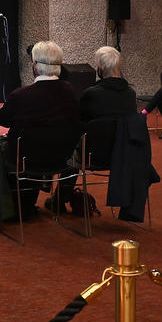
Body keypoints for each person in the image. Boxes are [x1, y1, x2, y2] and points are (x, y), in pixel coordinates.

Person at [0, 41, 80, 229]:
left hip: (24, 158)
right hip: (60, 158)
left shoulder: (22, 95)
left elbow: (3, 118)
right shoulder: (71, 92)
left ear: (35, 66)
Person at [47, 46, 138, 211]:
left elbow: (78, 123)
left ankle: (58, 200)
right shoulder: (131, 94)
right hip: (123, 154)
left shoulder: (91, 94)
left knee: (70, 150)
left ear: (100, 69)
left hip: (93, 155)